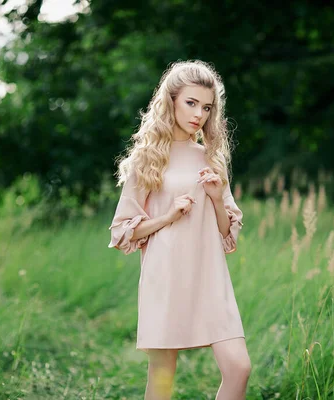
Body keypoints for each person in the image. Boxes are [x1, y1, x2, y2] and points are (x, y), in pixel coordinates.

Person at [107, 60, 251, 400]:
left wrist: (217, 199)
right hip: (166, 275)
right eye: (191, 103)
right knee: (162, 380)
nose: (199, 114)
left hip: (210, 275)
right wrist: (167, 217)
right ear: (170, 100)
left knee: (239, 368)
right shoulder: (148, 159)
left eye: (206, 107)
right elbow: (123, 231)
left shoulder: (210, 158)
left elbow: (228, 235)